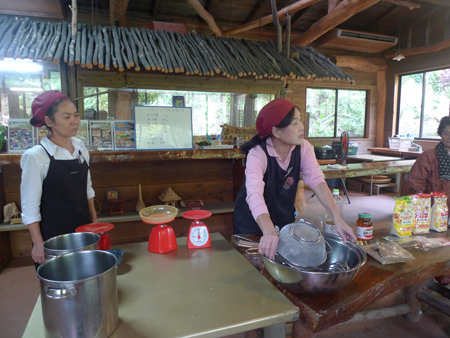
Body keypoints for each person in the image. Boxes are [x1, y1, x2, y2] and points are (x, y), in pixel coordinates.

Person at [233, 98, 356, 260]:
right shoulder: (258, 153)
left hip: (283, 219)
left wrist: (337, 218)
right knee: (252, 266)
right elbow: (254, 194)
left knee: (282, 264)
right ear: (276, 131)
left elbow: (317, 181)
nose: (301, 127)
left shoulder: (303, 147)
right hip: (252, 221)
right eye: (295, 123)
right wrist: (269, 231)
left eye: (300, 121)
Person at [20, 90, 98, 267]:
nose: (75, 121)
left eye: (76, 115)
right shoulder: (36, 156)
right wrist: (38, 243)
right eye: (67, 117)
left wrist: (94, 223)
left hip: (83, 230)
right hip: (53, 236)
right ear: (49, 121)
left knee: (87, 281)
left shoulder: (81, 149)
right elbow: (29, 206)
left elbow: (88, 190)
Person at [406, 116, 450, 284]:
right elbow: (416, 182)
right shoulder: (429, 156)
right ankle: (430, 278)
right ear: (440, 134)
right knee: (431, 246)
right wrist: (421, 208)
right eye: (447, 133)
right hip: (432, 209)